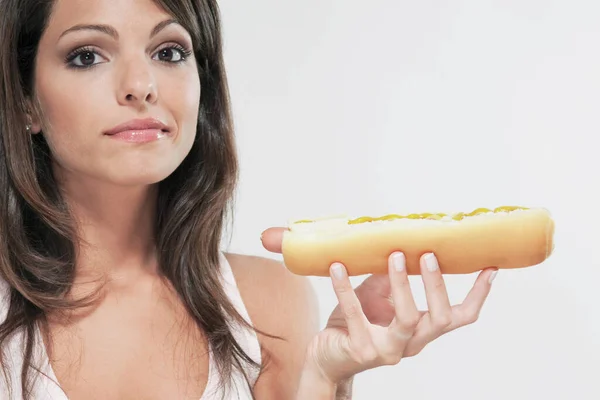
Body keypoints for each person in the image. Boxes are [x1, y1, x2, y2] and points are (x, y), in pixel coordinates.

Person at [0, 0, 498, 399]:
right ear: (26, 101)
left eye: (169, 52)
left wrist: (330, 379)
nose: (140, 86)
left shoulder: (269, 303)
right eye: (87, 55)